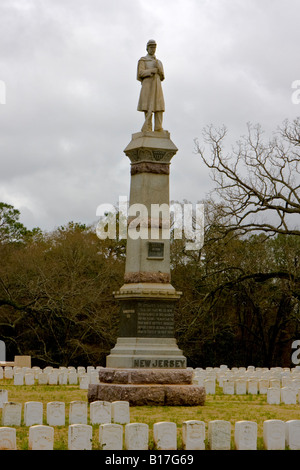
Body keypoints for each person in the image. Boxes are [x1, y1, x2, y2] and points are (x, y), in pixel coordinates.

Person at [137, 39, 165, 132]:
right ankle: (148, 127)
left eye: (154, 47)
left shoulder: (159, 62)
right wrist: (151, 71)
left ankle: (158, 127)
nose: (153, 49)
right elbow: (140, 73)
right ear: (147, 48)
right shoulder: (143, 60)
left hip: (157, 86)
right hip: (148, 86)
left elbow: (162, 76)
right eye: (151, 47)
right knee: (148, 107)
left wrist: (159, 69)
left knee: (159, 107)